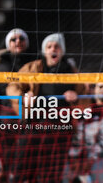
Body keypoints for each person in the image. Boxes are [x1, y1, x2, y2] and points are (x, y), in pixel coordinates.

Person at [6, 33, 91, 182]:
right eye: (49, 46)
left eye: (56, 46)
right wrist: (23, 97)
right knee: (22, 170)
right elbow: (12, 87)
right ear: (44, 51)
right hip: (34, 126)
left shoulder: (71, 71)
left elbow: (85, 100)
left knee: (52, 174)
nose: (53, 49)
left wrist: (75, 98)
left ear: (62, 51)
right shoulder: (33, 67)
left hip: (60, 129)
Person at [0, 28, 34, 182]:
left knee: (29, 165)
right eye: (13, 40)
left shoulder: (36, 66)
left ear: (27, 42)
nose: (17, 41)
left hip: (31, 124)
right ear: (8, 44)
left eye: (21, 38)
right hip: (6, 125)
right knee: (8, 165)